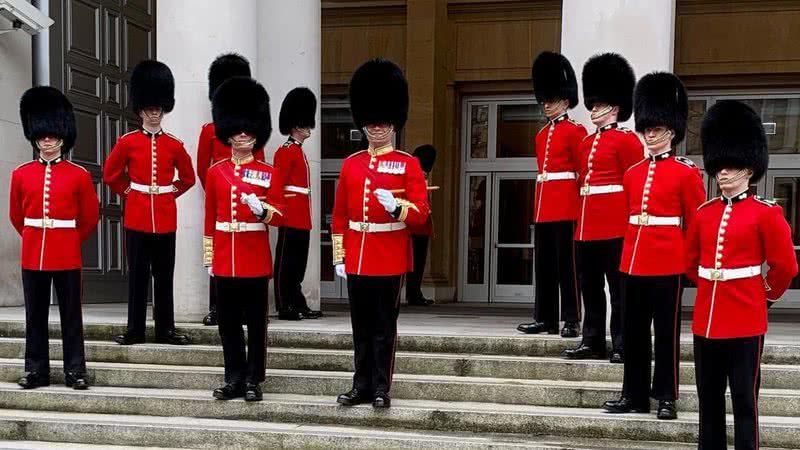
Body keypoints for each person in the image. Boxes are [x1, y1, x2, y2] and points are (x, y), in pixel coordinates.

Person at [687, 100, 798, 450]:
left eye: (730, 166)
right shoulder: (704, 214)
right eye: (719, 165)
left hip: (746, 320)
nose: (721, 173)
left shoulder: (766, 214)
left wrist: (762, 296)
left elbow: (786, 266)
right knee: (708, 400)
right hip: (706, 320)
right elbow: (690, 262)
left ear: (749, 170)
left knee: (744, 402)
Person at [602, 72, 706, 420]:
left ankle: (666, 396)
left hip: (668, 263)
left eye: (657, 129)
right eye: (647, 128)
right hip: (633, 262)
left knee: (665, 335)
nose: (650, 134)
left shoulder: (686, 173)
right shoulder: (632, 173)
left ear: (672, 132)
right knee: (633, 334)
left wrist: (692, 266)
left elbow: (696, 223)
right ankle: (633, 395)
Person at [332, 58, 430, 409]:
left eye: (383, 123)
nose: (377, 129)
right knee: (360, 327)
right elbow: (340, 215)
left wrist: (396, 208)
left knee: (384, 327)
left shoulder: (409, 164)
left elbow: (421, 215)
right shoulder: (351, 164)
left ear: (394, 124)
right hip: (358, 253)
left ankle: (380, 387)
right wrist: (339, 255)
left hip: (389, 253)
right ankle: (360, 384)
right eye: (372, 123)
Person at [11, 86, 100, 390]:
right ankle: (36, 370)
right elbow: (16, 216)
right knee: (35, 316)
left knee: (71, 316)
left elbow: (89, 217)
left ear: (62, 136)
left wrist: (70, 241)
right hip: (33, 253)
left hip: (66, 253)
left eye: (51, 136)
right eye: (41, 136)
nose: (46, 141)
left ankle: (75, 370)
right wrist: (35, 236)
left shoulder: (79, 175)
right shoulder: (21, 174)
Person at [104, 60, 196, 346]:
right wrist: (131, 192)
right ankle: (135, 330)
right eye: (149, 109)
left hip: (165, 217)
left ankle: (165, 329)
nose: (154, 114)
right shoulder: (127, 142)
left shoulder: (174, 144)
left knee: (164, 277)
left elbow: (189, 178)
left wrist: (168, 193)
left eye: (158, 109)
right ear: (141, 110)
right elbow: (111, 175)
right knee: (138, 278)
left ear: (163, 109)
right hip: (137, 217)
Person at [205, 76, 285, 402]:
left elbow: (281, 215)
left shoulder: (269, 173)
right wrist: (209, 257)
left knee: (255, 324)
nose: (242, 136)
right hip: (225, 257)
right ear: (228, 132)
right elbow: (210, 218)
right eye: (237, 130)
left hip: (253, 257)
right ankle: (233, 377)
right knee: (227, 325)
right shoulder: (216, 172)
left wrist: (262, 209)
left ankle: (254, 379)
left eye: (248, 131)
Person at [562, 53, 642, 364]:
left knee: (619, 292)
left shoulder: (627, 142)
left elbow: (634, 184)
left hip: (615, 225)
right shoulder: (584, 144)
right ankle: (592, 339)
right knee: (590, 288)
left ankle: (621, 342)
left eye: (598, 105)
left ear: (615, 107)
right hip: (587, 226)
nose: (593, 110)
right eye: (592, 105)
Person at [517, 51, 586, 337]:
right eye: (544, 100)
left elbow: (582, 173)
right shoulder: (540, 135)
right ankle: (545, 318)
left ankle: (571, 319)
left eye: (552, 100)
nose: (547, 105)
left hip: (566, 205)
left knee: (568, 268)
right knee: (543, 267)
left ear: (565, 101)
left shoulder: (576, 131)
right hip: (544, 207)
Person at [197, 53, 264, 327]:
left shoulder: (253, 133)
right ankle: (217, 307)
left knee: (248, 258)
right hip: (221, 205)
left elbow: (259, 171)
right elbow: (204, 169)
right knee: (218, 259)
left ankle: (249, 308)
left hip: (249, 207)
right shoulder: (209, 130)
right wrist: (219, 193)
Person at [274, 87, 321, 320]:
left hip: (301, 215)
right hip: (290, 214)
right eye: (304, 123)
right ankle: (284, 305)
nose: (308, 127)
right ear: (296, 125)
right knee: (286, 263)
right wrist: (281, 212)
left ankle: (297, 301)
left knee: (298, 263)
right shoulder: (286, 152)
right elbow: (277, 186)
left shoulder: (298, 151)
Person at [405, 144, 436, 306]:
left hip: (420, 226)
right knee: (413, 263)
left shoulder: (419, 173)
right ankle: (413, 293)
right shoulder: (412, 172)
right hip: (412, 226)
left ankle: (414, 292)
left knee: (417, 263)